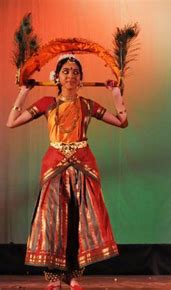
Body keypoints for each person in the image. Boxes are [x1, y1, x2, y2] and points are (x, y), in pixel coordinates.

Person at [6, 54, 128, 290]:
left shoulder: (88, 105)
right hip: (55, 167)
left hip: (82, 166)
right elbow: (11, 121)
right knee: (52, 222)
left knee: (76, 221)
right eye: (66, 71)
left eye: (75, 72)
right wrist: (24, 91)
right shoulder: (46, 103)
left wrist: (116, 95)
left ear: (81, 78)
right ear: (57, 77)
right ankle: (53, 278)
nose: (71, 75)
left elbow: (122, 122)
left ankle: (73, 276)